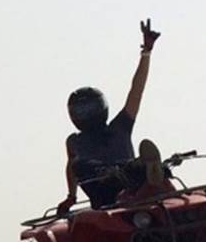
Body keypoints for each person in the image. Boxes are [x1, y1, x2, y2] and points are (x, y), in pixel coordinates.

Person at [58, 19, 166, 213]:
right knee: (80, 165)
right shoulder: (76, 141)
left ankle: (153, 171)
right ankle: (145, 169)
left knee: (138, 169)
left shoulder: (119, 127)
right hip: (104, 191)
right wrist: (71, 197)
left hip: (131, 184)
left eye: (89, 108)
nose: (87, 114)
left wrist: (146, 53)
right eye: (82, 110)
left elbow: (136, 90)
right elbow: (72, 168)